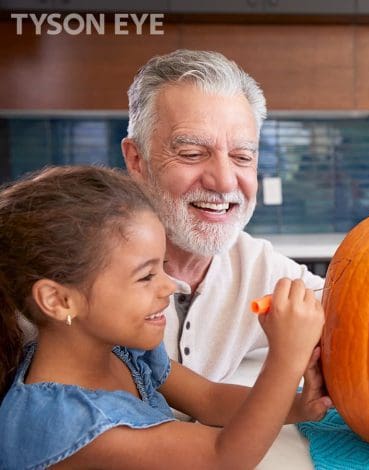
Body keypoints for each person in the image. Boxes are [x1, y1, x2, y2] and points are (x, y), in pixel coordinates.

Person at [0, 166, 330, 468]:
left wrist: (296, 406)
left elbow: (209, 399)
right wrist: (286, 357)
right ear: (58, 300)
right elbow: (222, 457)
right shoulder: (64, 420)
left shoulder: (121, 351)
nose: (171, 286)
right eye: (146, 276)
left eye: (164, 267)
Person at [120, 49, 327, 382]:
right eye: (191, 153)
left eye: (242, 157)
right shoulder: (88, 269)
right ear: (136, 160)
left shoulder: (259, 268)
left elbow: (367, 309)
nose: (225, 181)